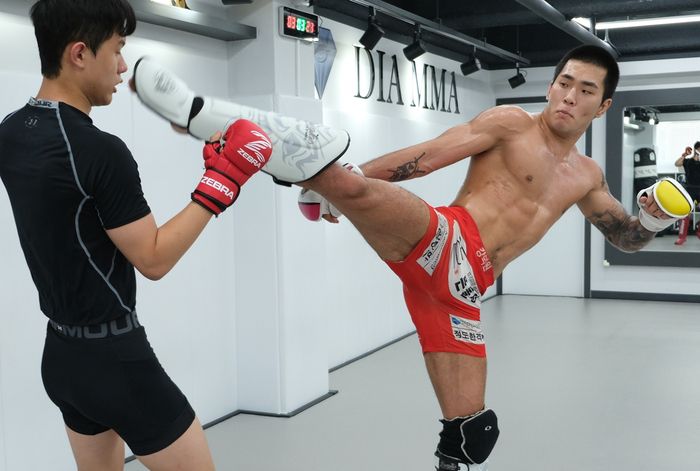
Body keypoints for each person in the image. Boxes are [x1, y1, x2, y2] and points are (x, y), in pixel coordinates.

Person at [129, 45, 693, 469]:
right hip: (449, 243)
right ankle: (215, 121)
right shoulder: (509, 125)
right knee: (350, 183)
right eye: (564, 83)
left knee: (471, 436)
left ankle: (318, 176)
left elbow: (623, 238)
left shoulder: (588, 176)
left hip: (462, 294)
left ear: (603, 105)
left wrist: (651, 219)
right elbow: (427, 158)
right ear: (551, 86)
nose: (569, 97)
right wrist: (348, 182)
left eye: (585, 90)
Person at [0, 1, 272, 469]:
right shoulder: (99, 151)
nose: (123, 67)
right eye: (117, 49)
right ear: (79, 54)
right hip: (115, 361)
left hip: (61, 355)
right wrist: (222, 182)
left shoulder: (10, 132)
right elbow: (154, 259)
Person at [673, 141, 700, 245]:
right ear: (696, 149)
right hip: (689, 190)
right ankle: (682, 237)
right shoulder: (688, 161)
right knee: (685, 213)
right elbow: (677, 163)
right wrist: (684, 155)